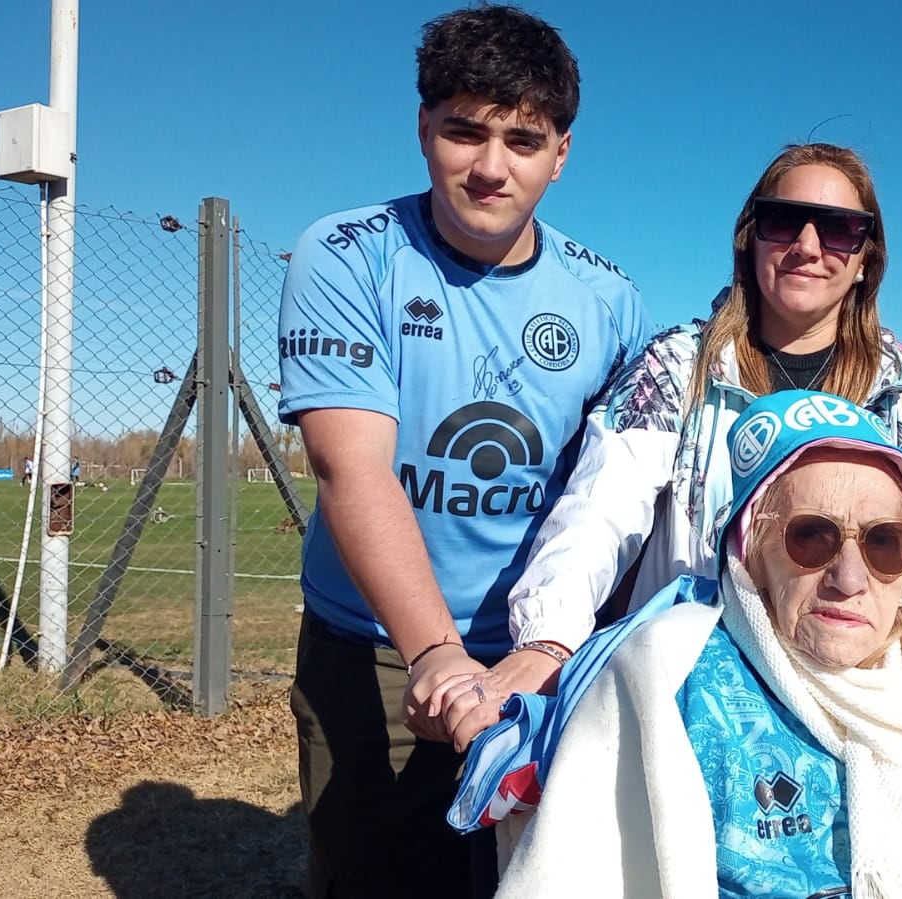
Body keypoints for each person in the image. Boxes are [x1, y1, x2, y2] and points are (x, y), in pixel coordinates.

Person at [437, 142, 902, 760]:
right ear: (750, 239)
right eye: (784, 221)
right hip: (698, 700)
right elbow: (600, 510)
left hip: (858, 705)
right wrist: (547, 642)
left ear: (867, 259)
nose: (809, 247)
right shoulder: (678, 366)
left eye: (841, 229)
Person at [275, 7, 649, 897]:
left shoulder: (610, 300)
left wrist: (585, 652)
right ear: (422, 129)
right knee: (376, 876)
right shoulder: (345, 255)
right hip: (377, 649)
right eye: (463, 132)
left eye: (523, 140)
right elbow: (349, 468)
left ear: (561, 153)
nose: (490, 167)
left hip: (543, 651)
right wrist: (435, 655)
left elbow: (617, 497)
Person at [486, 390, 902, 897]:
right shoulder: (665, 682)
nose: (850, 579)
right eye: (811, 536)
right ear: (751, 554)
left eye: (885, 543)